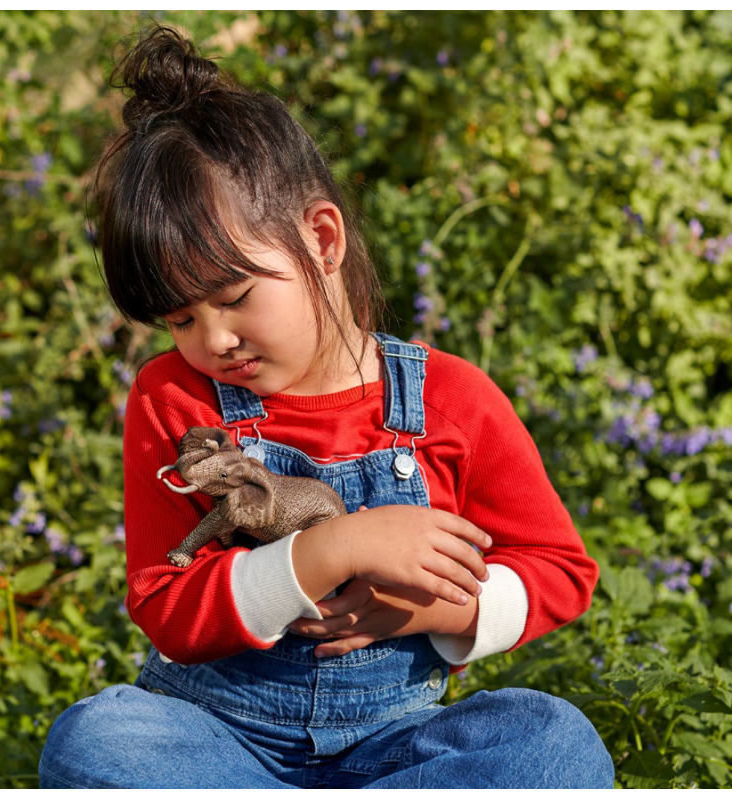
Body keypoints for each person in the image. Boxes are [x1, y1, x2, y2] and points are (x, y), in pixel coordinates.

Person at [38, 24, 615, 789]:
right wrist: (329, 551)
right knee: (98, 743)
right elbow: (166, 604)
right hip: (219, 743)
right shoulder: (175, 400)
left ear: (321, 239)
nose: (213, 339)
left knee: (553, 748)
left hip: (397, 746)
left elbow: (560, 568)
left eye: (234, 297)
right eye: (179, 320)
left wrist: (435, 610)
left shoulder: (450, 400)